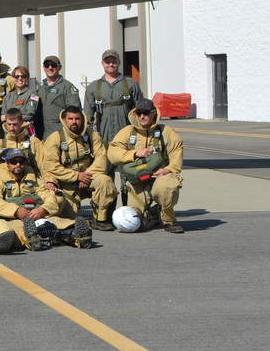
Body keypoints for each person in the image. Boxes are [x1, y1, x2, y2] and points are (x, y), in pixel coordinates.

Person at [107, 102, 185, 233]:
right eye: (139, 113)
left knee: (165, 189)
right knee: (134, 221)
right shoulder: (127, 132)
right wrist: (134, 153)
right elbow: (112, 153)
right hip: (138, 181)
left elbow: (176, 154)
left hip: (161, 176)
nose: (142, 116)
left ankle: (169, 220)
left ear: (154, 113)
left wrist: (168, 170)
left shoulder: (166, 132)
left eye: (146, 113)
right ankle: (153, 214)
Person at [39, 105, 114, 229]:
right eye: (70, 119)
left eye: (77, 119)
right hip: (66, 183)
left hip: (89, 178)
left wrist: (86, 177)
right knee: (68, 219)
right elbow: (51, 166)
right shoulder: (55, 138)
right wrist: (76, 176)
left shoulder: (92, 135)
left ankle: (100, 219)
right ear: (64, 120)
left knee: (105, 181)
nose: (74, 122)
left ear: (82, 119)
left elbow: (102, 158)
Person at [0, 148, 63, 251]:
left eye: (21, 162)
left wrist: (44, 209)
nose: (18, 164)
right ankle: (32, 240)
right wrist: (16, 211)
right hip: (13, 219)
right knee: (17, 229)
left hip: (36, 215)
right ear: (7, 164)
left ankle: (75, 235)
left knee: (57, 222)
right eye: (14, 162)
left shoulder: (34, 180)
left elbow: (48, 195)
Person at [87, 50, 145, 141]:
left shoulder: (131, 84)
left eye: (114, 61)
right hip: (102, 137)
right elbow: (87, 115)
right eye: (107, 62)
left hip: (127, 136)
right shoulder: (93, 87)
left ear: (119, 62)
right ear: (102, 63)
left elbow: (142, 109)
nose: (111, 64)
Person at [36, 55, 81, 138]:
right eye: (47, 65)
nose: (50, 68)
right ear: (43, 68)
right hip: (41, 133)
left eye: (53, 65)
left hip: (59, 133)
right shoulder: (39, 87)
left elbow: (74, 112)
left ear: (59, 67)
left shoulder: (67, 87)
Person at [0, 66, 41, 134]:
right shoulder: (8, 96)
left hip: (25, 132)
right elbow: (2, 116)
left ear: (27, 78)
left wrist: (8, 118)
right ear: (13, 78)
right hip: (10, 133)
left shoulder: (33, 95)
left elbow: (29, 115)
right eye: (17, 76)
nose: (20, 78)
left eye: (23, 76)